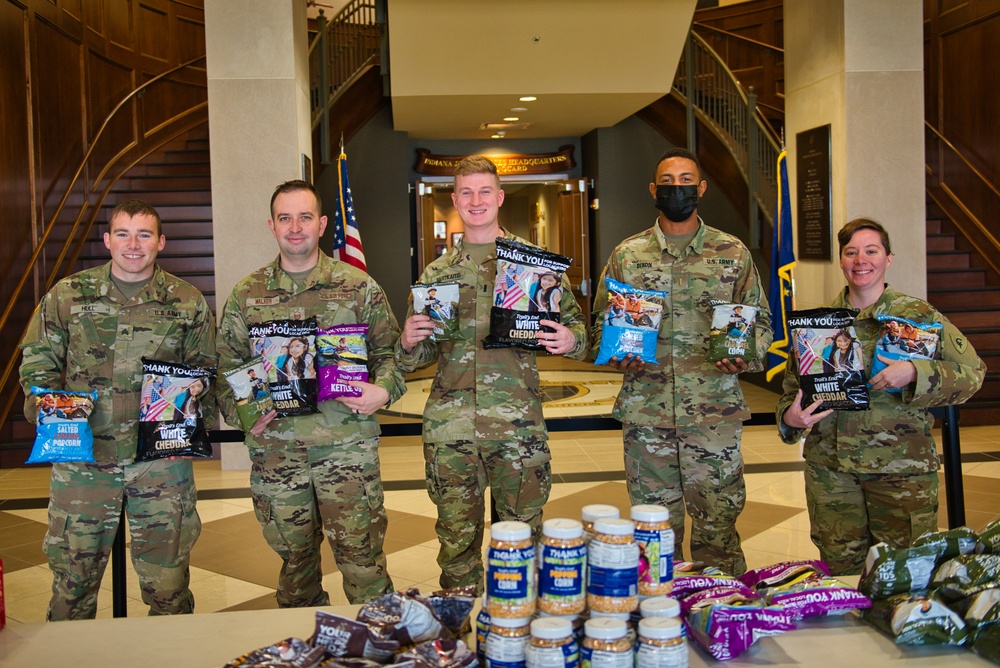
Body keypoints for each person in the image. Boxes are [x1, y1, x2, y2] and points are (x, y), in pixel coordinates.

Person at [19, 199, 216, 620]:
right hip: (84, 464)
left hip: (161, 463)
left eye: (144, 234)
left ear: (160, 242)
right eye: (123, 233)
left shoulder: (187, 301)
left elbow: (206, 370)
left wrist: (199, 404)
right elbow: (38, 362)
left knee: (169, 588)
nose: (133, 244)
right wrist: (46, 408)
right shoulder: (67, 296)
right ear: (108, 240)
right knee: (73, 585)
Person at [397, 156, 588, 592]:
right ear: (455, 199)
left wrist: (569, 341)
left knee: (521, 543)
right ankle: (461, 637)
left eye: (485, 191)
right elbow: (418, 355)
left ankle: (515, 638)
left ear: (499, 198)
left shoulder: (535, 265)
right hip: (452, 431)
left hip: (517, 428)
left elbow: (581, 334)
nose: (476, 201)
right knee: (457, 546)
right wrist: (408, 341)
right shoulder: (437, 274)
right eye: (466, 192)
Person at [216, 179, 405, 606]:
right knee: (295, 570)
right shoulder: (248, 295)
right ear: (272, 225)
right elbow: (225, 369)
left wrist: (384, 391)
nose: (295, 227)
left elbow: (391, 354)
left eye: (304, 217)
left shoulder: (358, 287)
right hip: (278, 454)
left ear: (321, 224)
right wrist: (244, 411)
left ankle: (377, 648)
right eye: (285, 218)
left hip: (347, 450)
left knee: (364, 565)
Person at [591, 147, 772, 576]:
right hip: (646, 417)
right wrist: (615, 354)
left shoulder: (732, 253)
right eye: (668, 182)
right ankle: (659, 617)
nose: (678, 189)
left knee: (719, 529)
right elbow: (600, 323)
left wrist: (744, 356)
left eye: (686, 181)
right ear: (654, 190)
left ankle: (722, 610)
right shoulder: (628, 255)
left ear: (702, 188)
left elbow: (760, 322)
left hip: (713, 417)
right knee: (654, 534)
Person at [777, 217, 985, 574]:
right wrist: (789, 419)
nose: (861, 260)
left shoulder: (919, 317)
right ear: (841, 261)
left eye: (871, 251)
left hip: (901, 473)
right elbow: (791, 393)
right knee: (842, 574)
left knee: (902, 574)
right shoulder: (818, 324)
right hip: (833, 475)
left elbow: (973, 374)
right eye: (851, 252)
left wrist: (916, 372)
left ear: (888, 258)